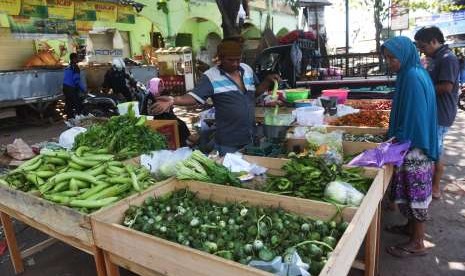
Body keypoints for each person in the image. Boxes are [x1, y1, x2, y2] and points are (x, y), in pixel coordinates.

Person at [151, 37, 279, 156]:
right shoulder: (211, 76)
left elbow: (254, 94)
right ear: (220, 58)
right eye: (230, 60)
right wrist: (173, 100)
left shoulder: (247, 70)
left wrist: (267, 81)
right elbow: (194, 97)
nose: (235, 64)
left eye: (238, 59)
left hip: (250, 137)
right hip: (228, 141)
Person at [382, 36, 438, 258]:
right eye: (387, 58)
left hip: (416, 145)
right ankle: (409, 227)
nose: (389, 62)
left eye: (392, 58)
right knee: (408, 189)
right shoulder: (410, 72)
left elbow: (414, 118)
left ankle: (418, 242)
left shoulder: (413, 77)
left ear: (404, 54)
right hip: (414, 142)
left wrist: (396, 143)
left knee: (416, 193)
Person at [414, 26, 460, 199]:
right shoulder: (436, 57)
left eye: (423, 46)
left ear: (434, 41)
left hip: (442, 113)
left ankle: (435, 188)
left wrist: (421, 91)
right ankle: (432, 186)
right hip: (434, 111)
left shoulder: (448, 58)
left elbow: (446, 87)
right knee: (434, 148)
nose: (422, 51)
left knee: (436, 151)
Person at [146, 77, 192, 147]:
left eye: (162, 85)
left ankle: (184, 142)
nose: (162, 88)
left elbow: (169, 106)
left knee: (182, 124)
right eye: (159, 86)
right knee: (177, 126)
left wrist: (168, 106)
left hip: (166, 116)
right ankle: (182, 143)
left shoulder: (162, 94)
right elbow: (151, 112)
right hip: (157, 119)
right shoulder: (149, 98)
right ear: (154, 86)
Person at [62, 53, 85, 119]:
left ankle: (70, 119)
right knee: (77, 104)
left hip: (65, 87)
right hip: (71, 88)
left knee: (69, 104)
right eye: (77, 57)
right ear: (74, 59)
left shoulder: (68, 66)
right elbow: (76, 80)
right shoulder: (75, 67)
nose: (78, 59)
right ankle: (79, 119)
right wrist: (83, 89)